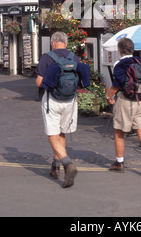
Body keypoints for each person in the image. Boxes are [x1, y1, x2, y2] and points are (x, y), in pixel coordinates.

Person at [36, 31, 90, 188]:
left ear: (53, 42)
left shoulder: (47, 57)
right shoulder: (74, 57)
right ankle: (55, 165)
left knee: (52, 135)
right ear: (66, 43)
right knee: (62, 132)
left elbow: (39, 82)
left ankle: (67, 163)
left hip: (52, 100)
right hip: (70, 101)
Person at [106, 38, 141, 179]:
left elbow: (116, 85)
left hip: (125, 101)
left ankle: (119, 163)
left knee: (119, 133)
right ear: (132, 49)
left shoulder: (120, 64)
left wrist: (108, 96)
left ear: (119, 50)